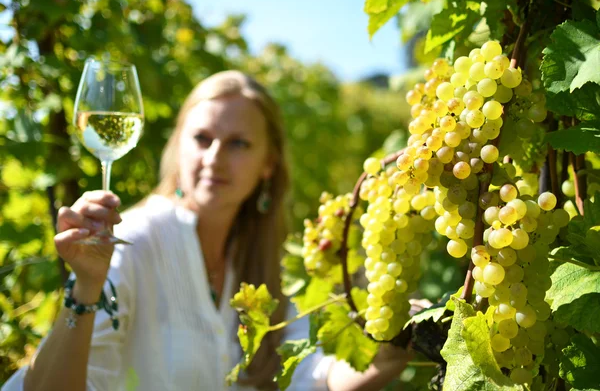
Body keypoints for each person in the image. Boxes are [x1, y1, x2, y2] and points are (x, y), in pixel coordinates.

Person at [3, 71, 415, 391]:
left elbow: (315, 375)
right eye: (202, 138)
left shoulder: (260, 260)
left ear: (267, 164)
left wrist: (391, 344)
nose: (214, 158)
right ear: (179, 146)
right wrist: (86, 289)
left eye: (238, 144)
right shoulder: (137, 240)